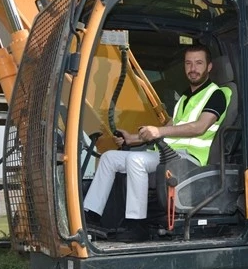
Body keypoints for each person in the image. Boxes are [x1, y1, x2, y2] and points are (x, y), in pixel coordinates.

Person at [83, 44, 231, 241]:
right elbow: (170, 128)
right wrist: (132, 139)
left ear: (209, 67)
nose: (192, 68)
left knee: (135, 161)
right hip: (170, 153)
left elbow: (199, 127)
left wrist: (158, 130)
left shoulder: (217, 94)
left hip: (190, 159)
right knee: (110, 157)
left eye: (198, 63)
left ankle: (136, 225)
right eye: (188, 63)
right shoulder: (185, 97)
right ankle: (91, 216)